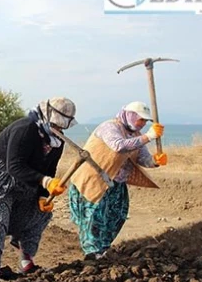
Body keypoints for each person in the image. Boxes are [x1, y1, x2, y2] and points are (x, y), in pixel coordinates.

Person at [0, 97, 78, 282]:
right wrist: (46, 181)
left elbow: (49, 168)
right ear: (47, 116)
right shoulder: (25, 129)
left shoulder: (57, 141)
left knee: (38, 213)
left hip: (27, 175)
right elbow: (15, 166)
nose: (60, 130)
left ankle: (26, 259)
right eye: (58, 126)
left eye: (63, 127)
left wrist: (44, 195)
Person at [68, 101, 167, 259]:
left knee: (117, 215)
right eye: (140, 119)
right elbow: (118, 146)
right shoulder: (110, 127)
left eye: (144, 121)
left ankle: (103, 250)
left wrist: (155, 161)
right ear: (129, 115)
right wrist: (148, 136)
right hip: (95, 181)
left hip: (116, 183)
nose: (142, 124)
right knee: (94, 217)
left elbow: (143, 158)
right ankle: (92, 253)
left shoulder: (135, 135)